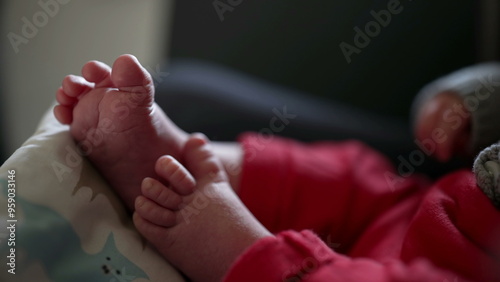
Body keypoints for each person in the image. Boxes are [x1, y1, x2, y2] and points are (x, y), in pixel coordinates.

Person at [53, 54, 500, 281]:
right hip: (428, 208)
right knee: (351, 176)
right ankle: (182, 163)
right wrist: (471, 101)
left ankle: (239, 250)